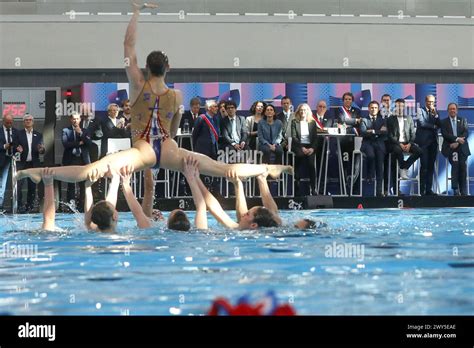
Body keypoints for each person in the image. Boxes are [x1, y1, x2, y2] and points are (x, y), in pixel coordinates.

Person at [17, 3, 292, 190]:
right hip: (169, 150)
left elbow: (128, 45)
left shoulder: (137, 84)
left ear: (146, 68)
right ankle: (267, 169)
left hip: (143, 151)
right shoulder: (176, 94)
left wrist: (136, 12)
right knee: (221, 169)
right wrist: (168, 141)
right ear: (168, 68)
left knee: (92, 170)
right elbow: (172, 130)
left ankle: (43, 174)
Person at [386, 98, 422, 194]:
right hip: (395, 144)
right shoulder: (390, 119)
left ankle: (404, 166)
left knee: (419, 151)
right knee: (397, 152)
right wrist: (399, 144)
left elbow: (413, 133)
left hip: (408, 142)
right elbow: (389, 135)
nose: (400, 108)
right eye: (398, 106)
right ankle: (396, 189)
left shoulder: (409, 118)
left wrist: (410, 143)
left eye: (402, 106)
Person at [62, 112, 92, 210]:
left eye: (77, 118)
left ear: (80, 120)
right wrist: (79, 142)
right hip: (71, 159)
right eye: (73, 119)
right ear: (71, 120)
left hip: (83, 160)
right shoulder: (65, 130)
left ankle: (82, 206)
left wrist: (81, 134)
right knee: (71, 184)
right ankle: (71, 207)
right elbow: (66, 144)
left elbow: (89, 143)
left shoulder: (85, 130)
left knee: (83, 185)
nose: (75, 120)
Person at [16, 113, 45, 212]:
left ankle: (30, 207)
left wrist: (41, 150)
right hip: (21, 164)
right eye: (26, 120)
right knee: (18, 186)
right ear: (23, 122)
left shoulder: (38, 135)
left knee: (32, 187)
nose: (28, 121)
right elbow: (15, 147)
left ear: (33, 122)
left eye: (30, 120)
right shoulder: (18, 134)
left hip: (33, 164)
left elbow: (42, 150)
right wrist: (17, 149)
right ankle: (19, 206)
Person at [440, 103, 470, 196]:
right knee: (455, 165)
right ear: (448, 111)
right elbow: (445, 134)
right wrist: (456, 139)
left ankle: (463, 190)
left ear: (456, 110)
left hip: (461, 148)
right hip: (450, 147)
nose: (452, 110)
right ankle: (455, 189)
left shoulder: (463, 120)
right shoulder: (444, 122)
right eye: (450, 109)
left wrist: (458, 141)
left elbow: (466, 133)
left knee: (462, 167)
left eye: (454, 109)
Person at [359, 101, 387, 197]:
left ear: (378, 109)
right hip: (367, 144)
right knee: (370, 155)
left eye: (375, 108)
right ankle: (369, 174)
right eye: (371, 107)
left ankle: (379, 192)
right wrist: (378, 132)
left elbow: (385, 133)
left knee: (380, 166)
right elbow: (363, 132)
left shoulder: (382, 120)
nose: (373, 109)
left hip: (379, 144)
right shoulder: (364, 120)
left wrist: (373, 131)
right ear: (368, 108)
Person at [415, 95, 441, 196]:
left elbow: (440, 125)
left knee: (430, 167)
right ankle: (422, 190)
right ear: (425, 101)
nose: (431, 104)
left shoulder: (435, 112)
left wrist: (436, 116)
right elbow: (422, 123)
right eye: (429, 102)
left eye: (432, 102)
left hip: (433, 143)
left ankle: (428, 190)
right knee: (424, 166)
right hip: (423, 143)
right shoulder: (420, 110)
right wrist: (434, 126)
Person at [291, 103, 318, 196]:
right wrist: (302, 148)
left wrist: (312, 148)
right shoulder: (294, 122)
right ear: (298, 112)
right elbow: (294, 137)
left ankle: (313, 188)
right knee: (298, 158)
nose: (303, 112)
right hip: (299, 146)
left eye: (304, 110)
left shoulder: (312, 122)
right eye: (301, 110)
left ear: (308, 112)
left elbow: (315, 138)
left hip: (310, 146)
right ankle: (296, 186)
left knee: (311, 165)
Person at [0, 113, 19, 210]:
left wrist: (18, 148)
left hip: (14, 159)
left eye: (11, 123)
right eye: (7, 123)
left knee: (16, 182)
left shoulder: (16, 132)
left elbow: (18, 144)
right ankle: (0, 205)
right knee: (2, 183)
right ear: (3, 121)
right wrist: (4, 146)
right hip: (3, 159)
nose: (9, 124)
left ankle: (16, 206)